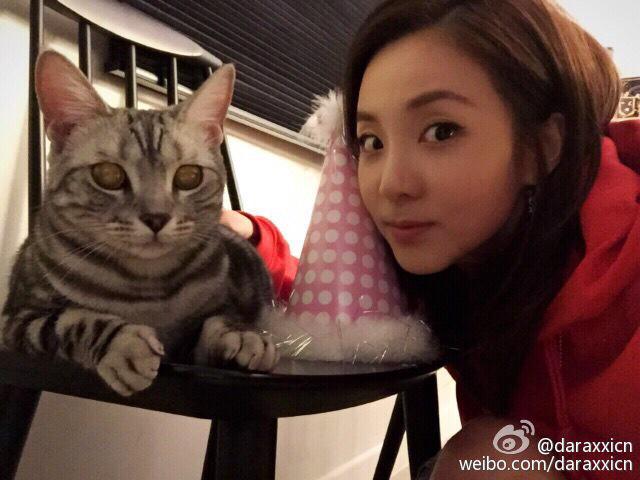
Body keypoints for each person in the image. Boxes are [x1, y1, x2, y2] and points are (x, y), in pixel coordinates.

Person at [225, 0, 640, 478]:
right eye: (372, 142)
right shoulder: (463, 254)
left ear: (541, 149)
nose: (391, 184)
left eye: (441, 131)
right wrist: (246, 243)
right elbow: (347, 299)